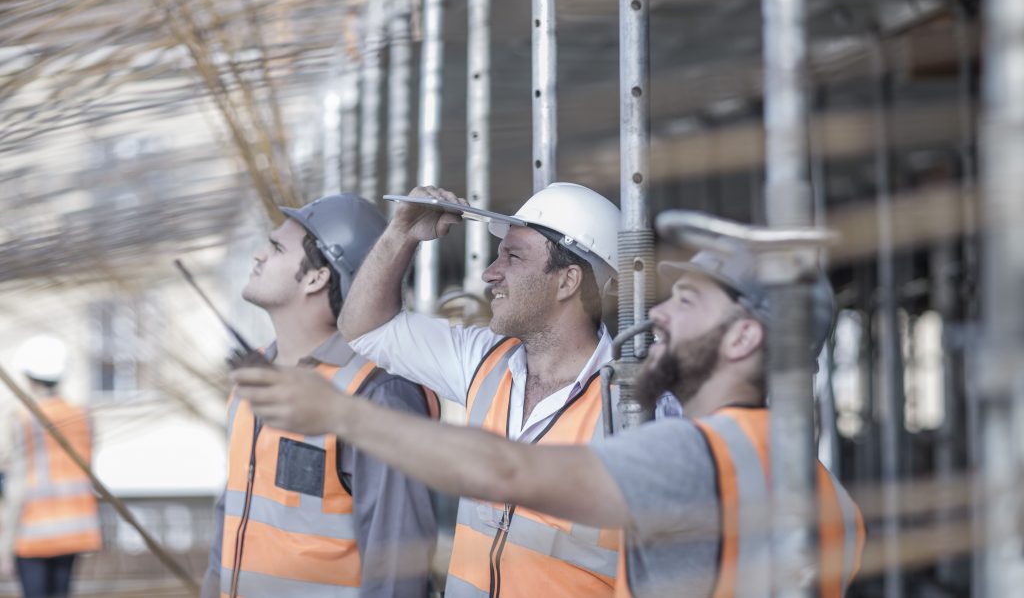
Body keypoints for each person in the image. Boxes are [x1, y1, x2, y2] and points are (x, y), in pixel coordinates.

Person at [231, 212, 866, 598]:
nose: (659, 314)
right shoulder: (820, 493)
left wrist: (342, 415)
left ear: (745, 336)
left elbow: (510, 472)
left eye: (690, 302)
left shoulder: (695, 453)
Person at [335, 183, 624, 597]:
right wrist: (401, 234)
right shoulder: (484, 362)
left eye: (513, 256)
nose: (491, 273)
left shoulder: (635, 406)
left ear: (568, 281)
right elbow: (364, 328)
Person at [201, 194, 439, 598]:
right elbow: (232, 516)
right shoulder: (256, 375)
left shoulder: (376, 393)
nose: (258, 254)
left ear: (317, 277)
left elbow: (398, 569)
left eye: (275, 248)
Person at [0, 335, 102, 598]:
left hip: (35, 532)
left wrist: (5, 544)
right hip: (75, 528)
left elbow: (17, 486)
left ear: (29, 376)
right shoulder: (83, 417)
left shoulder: (25, 419)